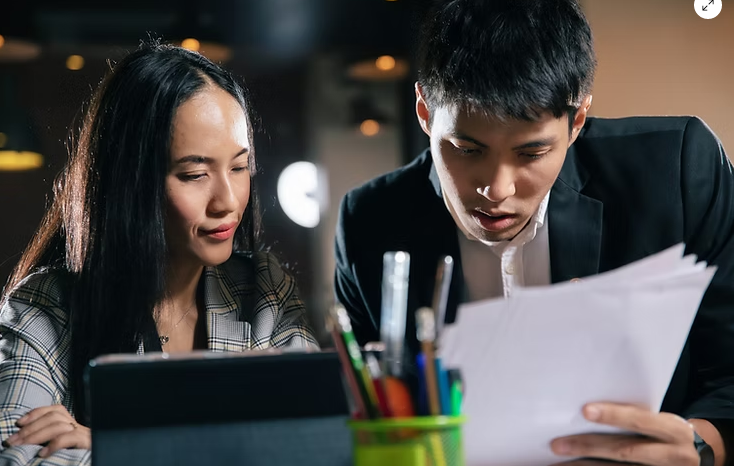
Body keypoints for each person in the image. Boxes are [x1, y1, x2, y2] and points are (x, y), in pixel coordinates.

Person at [334, 0, 733, 465]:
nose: (496, 190)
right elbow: (365, 410)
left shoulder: (678, 172)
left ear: (577, 121)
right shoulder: (370, 220)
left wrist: (702, 445)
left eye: (531, 153)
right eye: (466, 149)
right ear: (425, 112)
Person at [0, 40, 318, 465]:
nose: (227, 200)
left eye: (240, 167)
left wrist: (115, 444)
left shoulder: (264, 292)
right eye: (194, 174)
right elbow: (20, 459)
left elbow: (314, 445)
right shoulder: (44, 309)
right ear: (131, 184)